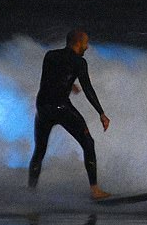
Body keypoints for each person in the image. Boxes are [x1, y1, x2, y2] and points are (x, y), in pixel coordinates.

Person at [28, 29, 111, 199]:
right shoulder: (79, 62)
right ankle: (95, 190)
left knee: (39, 150)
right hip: (61, 107)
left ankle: (30, 193)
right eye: (85, 43)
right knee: (88, 142)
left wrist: (69, 84)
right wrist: (101, 113)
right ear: (77, 43)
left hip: (43, 106)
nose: (87, 47)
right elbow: (88, 89)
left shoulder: (50, 55)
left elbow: (48, 79)